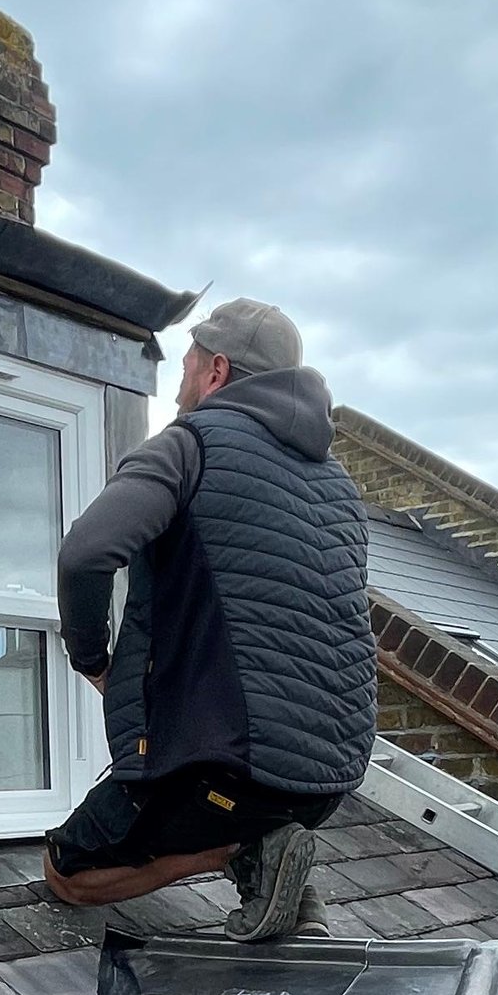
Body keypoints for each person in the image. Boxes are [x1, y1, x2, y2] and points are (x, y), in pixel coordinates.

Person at [44, 296, 377, 938]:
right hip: (327, 780)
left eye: (188, 364)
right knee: (226, 804)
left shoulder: (189, 444)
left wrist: (91, 660)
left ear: (216, 371)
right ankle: (267, 850)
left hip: (223, 769)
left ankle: (244, 850)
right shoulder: (339, 487)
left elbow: (86, 555)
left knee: (68, 872)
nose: (178, 387)